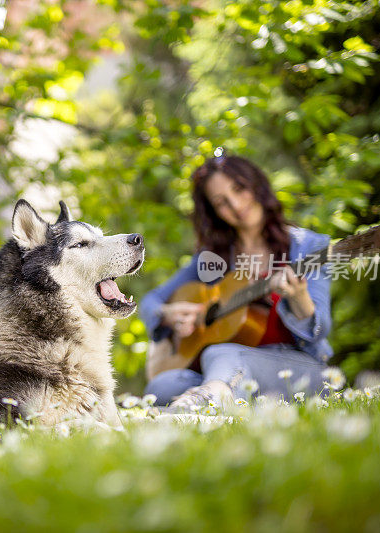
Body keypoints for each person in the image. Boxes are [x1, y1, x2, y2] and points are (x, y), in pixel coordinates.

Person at [139, 155, 333, 408]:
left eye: (239, 189)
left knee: (219, 353)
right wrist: (166, 314)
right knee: (162, 386)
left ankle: (214, 398)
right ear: (214, 212)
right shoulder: (212, 259)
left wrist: (299, 298)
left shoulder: (309, 246)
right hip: (229, 365)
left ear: (256, 185)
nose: (236, 205)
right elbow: (150, 301)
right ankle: (220, 395)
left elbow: (321, 329)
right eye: (221, 202)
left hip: (298, 367)